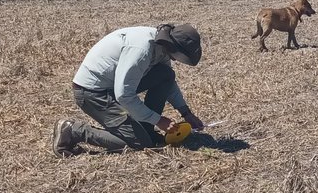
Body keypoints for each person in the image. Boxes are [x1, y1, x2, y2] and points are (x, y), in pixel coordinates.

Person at [52, 23, 205, 156]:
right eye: (178, 56)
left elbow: (167, 81)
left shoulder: (162, 46)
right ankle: (73, 131)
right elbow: (124, 95)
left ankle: (146, 129)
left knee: (165, 74)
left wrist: (186, 112)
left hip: (113, 85)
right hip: (92, 92)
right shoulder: (141, 50)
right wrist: (158, 120)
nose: (177, 59)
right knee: (140, 143)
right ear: (172, 45)